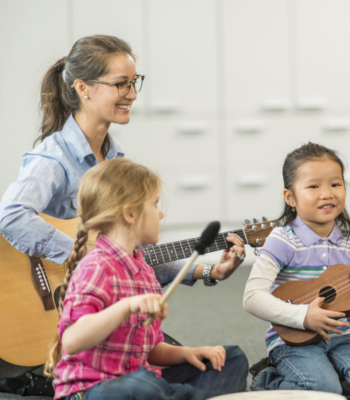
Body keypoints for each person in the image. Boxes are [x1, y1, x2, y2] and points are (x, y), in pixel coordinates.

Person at [0, 35, 244, 396]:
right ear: (83, 88)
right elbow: (12, 216)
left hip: (113, 321)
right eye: (120, 84)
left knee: (223, 359)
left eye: (134, 82)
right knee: (142, 380)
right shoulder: (52, 158)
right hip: (70, 316)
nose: (131, 93)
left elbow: (133, 257)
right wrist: (80, 255)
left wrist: (206, 270)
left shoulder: (116, 161)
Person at [44, 158, 248, 400]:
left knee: (230, 358)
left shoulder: (145, 272)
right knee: (142, 385)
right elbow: (72, 340)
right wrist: (125, 307)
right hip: (92, 390)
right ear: (130, 214)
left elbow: (150, 351)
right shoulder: (95, 267)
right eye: (155, 204)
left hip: (143, 378)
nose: (161, 213)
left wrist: (189, 353)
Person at [244, 143, 350, 399]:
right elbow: (251, 298)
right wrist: (304, 317)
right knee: (321, 389)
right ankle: (266, 379)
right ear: (290, 197)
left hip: (340, 336)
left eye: (335, 185)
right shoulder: (282, 239)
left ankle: (328, 378)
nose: (327, 193)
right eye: (314, 186)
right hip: (291, 340)